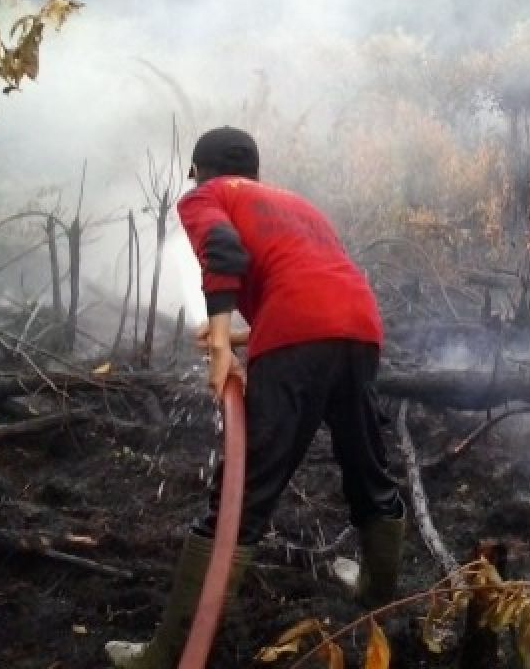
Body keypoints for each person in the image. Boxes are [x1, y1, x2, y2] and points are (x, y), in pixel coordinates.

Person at [106, 126, 405, 668]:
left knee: (242, 494)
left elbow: (223, 250)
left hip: (300, 331)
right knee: (366, 463)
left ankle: (167, 657)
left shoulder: (207, 196)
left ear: (197, 171)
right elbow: (310, 280)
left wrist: (221, 343)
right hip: (360, 325)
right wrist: (242, 333)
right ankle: (378, 597)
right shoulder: (298, 205)